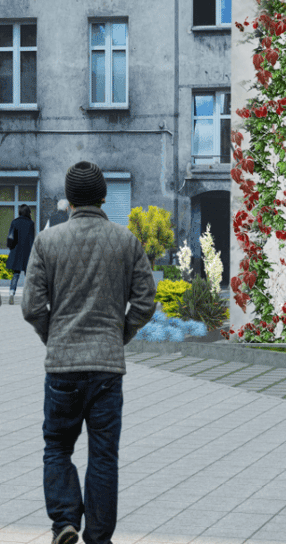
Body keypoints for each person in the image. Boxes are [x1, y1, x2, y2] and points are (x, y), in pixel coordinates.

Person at [21, 161, 159, 544]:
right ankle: (99, 537)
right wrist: (120, 335)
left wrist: (57, 338)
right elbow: (146, 301)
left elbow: (32, 307)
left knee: (57, 447)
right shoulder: (125, 240)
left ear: (68, 201)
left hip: (63, 368)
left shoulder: (47, 242)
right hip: (107, 369)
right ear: (103, 197)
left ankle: (65, 521)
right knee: (103, 456)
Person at [4, 203, 36, 306]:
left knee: (15, 275)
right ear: (27, 212)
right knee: (28, 276)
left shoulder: (14, 222)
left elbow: (10, 237)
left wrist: (11, 248)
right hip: (27, 252)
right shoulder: (31, 223)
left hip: (16, 252)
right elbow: (32, 240)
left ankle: (11, 294)